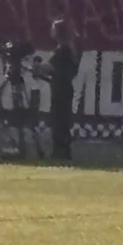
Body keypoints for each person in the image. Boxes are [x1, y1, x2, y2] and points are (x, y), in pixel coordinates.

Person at [47, 18, 77, 163]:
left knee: (59, 121)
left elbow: (56, 70)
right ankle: (62, 150)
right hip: (64, 89)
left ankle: (60, 151)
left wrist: (42, 69)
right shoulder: (67, 50)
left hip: (61, 91)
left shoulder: (62, 51)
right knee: (62, 122)